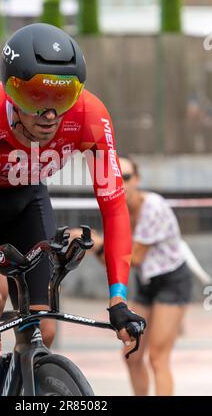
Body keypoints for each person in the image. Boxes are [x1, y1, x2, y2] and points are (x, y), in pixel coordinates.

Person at [0, 23, 145, 396]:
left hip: (26, 193)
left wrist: (119, 299)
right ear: (10, 91)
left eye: (62, 99)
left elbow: (114, 209)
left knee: (42, 327)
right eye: (34, 97)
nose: (48, 115)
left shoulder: (91, 117)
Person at [79, 156, 193, 396]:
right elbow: (116, 261)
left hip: (172, 281)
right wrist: (98, 247)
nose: (121, 183)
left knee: (158, 358)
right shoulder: (117, 213)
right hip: (147, 282)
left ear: (138, 179)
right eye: (115, 178)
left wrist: (99, 246)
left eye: (127, 177)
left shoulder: (153, 207)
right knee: (131, 354)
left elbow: (133, 258)